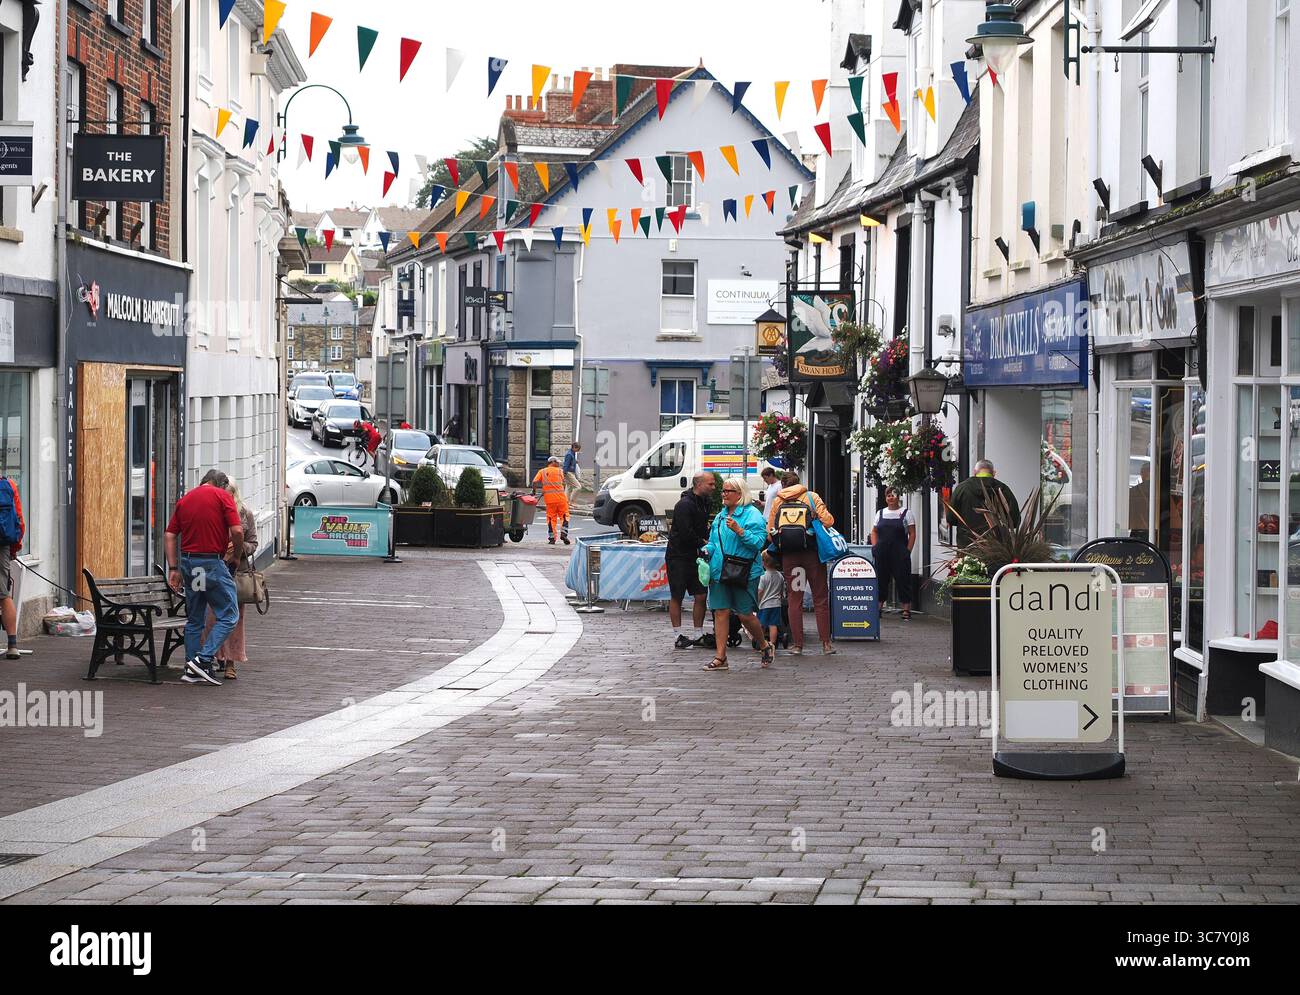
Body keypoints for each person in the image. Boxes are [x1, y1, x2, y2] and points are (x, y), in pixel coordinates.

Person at [164, 470, 243, 686]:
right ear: (221, 484)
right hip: (211, 563)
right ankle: (203, 659)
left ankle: (191, 667)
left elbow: (170, 534)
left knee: (195, 618)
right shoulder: (222, 497)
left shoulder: (185, 499)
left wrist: (173, 567)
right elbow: (237, 531)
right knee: (229, 615)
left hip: (190, 564)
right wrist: (236, 556)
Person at [700, 476, 774, 671]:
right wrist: (706, 550)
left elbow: (759, 543)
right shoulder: (720, 516)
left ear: (740, 494)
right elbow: (715, 542)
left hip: (743, 572)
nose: (723, 494)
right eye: (722, 491)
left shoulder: (752, 515)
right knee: (721, 612)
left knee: (745, 615)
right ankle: (721, 657)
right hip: (719, 571)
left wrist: (740, 530)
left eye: (727, 491)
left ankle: (764, 645)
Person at [767, 470, 836, 656]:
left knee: (794, 600)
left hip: (790, 557)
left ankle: (797, 645)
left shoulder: (778, 501)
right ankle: (826, 644)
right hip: (812, 554)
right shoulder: (811, 497)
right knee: (820, 598)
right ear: (799, 482)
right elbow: (829, 521)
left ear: (783, 485)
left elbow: (770, 531)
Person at [200, 480, 258, 680]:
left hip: (235, 573)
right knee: (210, 619)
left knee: (235, 620)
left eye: (230, 493)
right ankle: (215, 657)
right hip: (213, 572)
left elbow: (253, 542)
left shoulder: (245, 514)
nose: (226, 496)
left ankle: (231, 663)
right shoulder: (212, 512)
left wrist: (240, 549)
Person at [666, 471, 715, 649]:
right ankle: (677, 634)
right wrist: (704, 542)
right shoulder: (684, 505)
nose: (713, 487)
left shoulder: (706, 502)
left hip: (697, 556)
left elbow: (703, 528)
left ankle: (698, 634)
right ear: (698, 484)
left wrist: (708, 540)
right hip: (678, 555)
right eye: (710, 484)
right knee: (677, 595)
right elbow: (686, 532)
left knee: (701, 594)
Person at [946, 459, 1020, 547]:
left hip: (968, 545)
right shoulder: (1002, 489)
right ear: (994, 473)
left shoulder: (962, 488)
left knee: (968, 561)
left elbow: (951, 518)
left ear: (974, 472)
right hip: (997, 547)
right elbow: (1014, 520)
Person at [872, 487, 917, 620]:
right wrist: (874, 547)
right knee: (881, 579)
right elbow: (874, 531)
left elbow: (912, 533)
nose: (890, 498)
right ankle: (878, 607)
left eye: (893, 495)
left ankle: (906, 609)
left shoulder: (906, 513)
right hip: (882, 552)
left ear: (898, 497)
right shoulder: (880, 513)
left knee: (903, 579)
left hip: (899, 552)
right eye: (888, 496)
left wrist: (907, 551)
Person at [0, 476, 26, 660]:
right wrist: (14, 549)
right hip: (3, 545)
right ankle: (12, 645)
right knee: (3, 594)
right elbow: (19, 521)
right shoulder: (9, 485)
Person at [531, 455, 570, 545]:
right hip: (561, 499)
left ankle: (552, 538)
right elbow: (563, 482)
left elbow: (534, 482)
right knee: (564, 516)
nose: (558, 464)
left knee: (551, 518)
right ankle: (564, 534)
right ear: (552, 462)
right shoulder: (560, 471)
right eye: (557, 462)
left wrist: (534, 491)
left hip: (549, 500)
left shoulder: (542, 471)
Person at [756, 550, 784, 666]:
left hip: (764, 605)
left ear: (763, 563)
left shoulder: (763, 576)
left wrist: (757, 601)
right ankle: (772, 644)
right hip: (776, 604)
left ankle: (762, 644)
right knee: (773, 625)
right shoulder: (780, 576)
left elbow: (760, 591)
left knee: (761, 625)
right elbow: (782, 591)